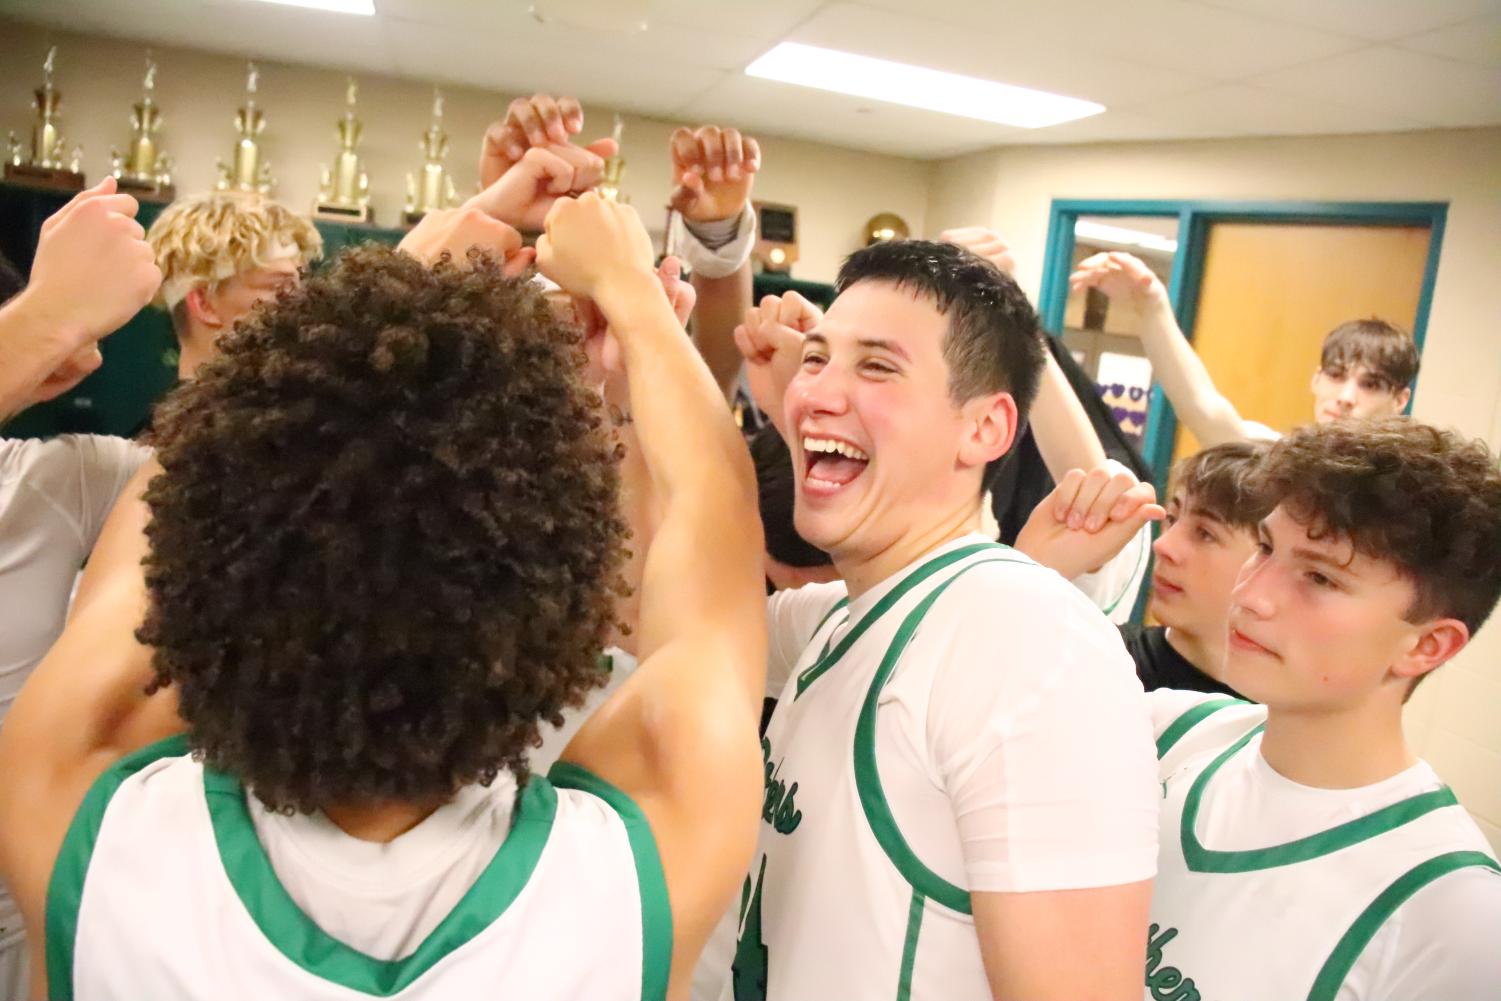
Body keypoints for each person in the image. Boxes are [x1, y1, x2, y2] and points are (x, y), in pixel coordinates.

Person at [0, 192, 768, 1000]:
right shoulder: (635, 871)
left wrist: (388, 296)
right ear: (566, 611)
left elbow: (190, 488)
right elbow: (714, 511)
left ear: (209, 591)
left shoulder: (84, 811)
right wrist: (633, 298)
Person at [726, 238, 1158, 1000]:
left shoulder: (1028, 643)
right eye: (816, 360)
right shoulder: (839, 616)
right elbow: (658, 611)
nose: (817, 389)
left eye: (877, 366)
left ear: (986, 429)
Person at [1146, 417, 1501, 1000]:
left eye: (1318, 577)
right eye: (1264, 548)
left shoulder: (1452, 911)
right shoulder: (1166, 733)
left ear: (1427, 645)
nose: (1252, 595)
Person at [1069, 251, 1419, 445]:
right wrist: (1150, 307)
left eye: (1370, 384)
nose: (1345, 396)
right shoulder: (1282, 456)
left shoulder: (1405, 491)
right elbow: (1203, 410)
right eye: (1336, 375)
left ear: (1400, 401)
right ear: (1316, 379)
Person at [1121, 440, 1270, 696]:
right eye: (1172, 518)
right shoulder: (1103, 660)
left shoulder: (1292, 714)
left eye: (1205, 533)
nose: (1163, 545)